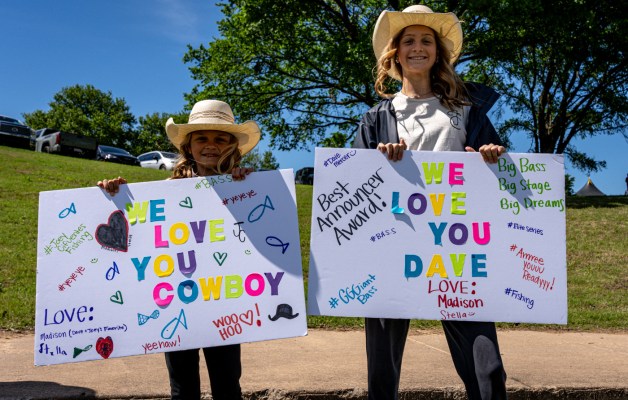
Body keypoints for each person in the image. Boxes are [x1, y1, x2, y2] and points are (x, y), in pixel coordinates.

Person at [353, 5, 508, 400]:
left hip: (456, 248)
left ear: (438, 52)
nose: (418, 47)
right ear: (395, 53)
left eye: (427, 41)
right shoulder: (375, 119)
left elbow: (494, 174)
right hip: (393, 246)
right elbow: (356, 184)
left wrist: (490, 154)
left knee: (487, 367)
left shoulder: (467, 109)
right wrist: (379, 161)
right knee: (381, 369)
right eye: (409, 41)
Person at [98, 99, 260, 400]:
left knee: (227, 385)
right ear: (188, 147)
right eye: (202, 138)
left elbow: (257, 231)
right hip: (173, 303)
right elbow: (139, 233)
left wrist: (248, 187)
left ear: (232, 147)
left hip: (224, 303)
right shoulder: (165, 192)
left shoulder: (245, 186)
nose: (210, 145)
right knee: (182, 388)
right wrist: (113, 195)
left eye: (220, 138)